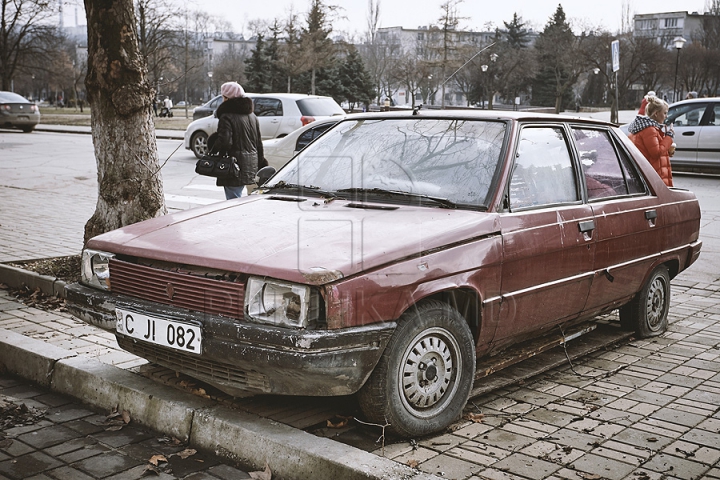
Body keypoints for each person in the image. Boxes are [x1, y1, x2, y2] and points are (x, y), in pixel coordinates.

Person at [214, 81, 267, 199]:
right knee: (238, 197)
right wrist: (261, 162)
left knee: (233, 200)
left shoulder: (226, 116)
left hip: (233, 166)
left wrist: (214, 144)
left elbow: (225, 142)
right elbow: (258, 143)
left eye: (223, 96)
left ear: (227, 97)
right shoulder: (252, 116)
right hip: (250, 164)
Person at [627, 96, 674, 187]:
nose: (666, 116)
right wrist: (669, 137)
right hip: (654, 176)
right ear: (656, 114)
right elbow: (655, 153)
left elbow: (650, 150)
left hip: (648, 173)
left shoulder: (643, 128)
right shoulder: (650, 130)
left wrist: (666, 150)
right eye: (664, 113)